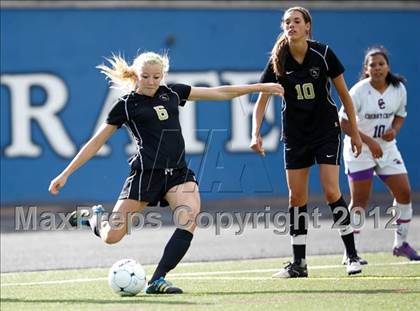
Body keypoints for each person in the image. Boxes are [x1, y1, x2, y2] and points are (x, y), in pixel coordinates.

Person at [48, 51, 284, 294]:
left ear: (163, 75)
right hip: (146, 174)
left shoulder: (172, 93)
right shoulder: (126, 106)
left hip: (178, 173)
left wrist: (261, 86)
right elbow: (95, 142)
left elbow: (220, 92)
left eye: (156, 76)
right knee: (112, 236)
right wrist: (65, 174)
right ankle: (94, 217)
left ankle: (157, 279)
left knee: (189, 218)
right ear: (136, 75)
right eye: (145, 76)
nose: (151, 81)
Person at [250, 6, 364, 278]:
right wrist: (255, 133)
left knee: (330, 191)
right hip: (296, 135)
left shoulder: (323, 53)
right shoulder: (278, 59)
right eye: (287, 22)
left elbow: (345, 96)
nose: (291, 26)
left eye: (296, 21)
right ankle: (299, 263)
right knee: (296, 196)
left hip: (325, 130)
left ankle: (351, 255)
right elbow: (261, 100)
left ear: (308, 26)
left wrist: (355, 133)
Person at [339, 46, 420, 262]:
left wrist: (395, 129)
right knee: (360, 201)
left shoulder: (398, 89)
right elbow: (343, 122)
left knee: (404, 192)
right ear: (366, 69)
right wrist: (368, 141)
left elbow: (401, 115)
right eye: (372, 65)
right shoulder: (358, 91)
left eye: (381, 64)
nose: (377, 68)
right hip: (359, 149)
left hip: (386, 148)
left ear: (388, 67)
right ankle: (350, 252)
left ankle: (401, 244)